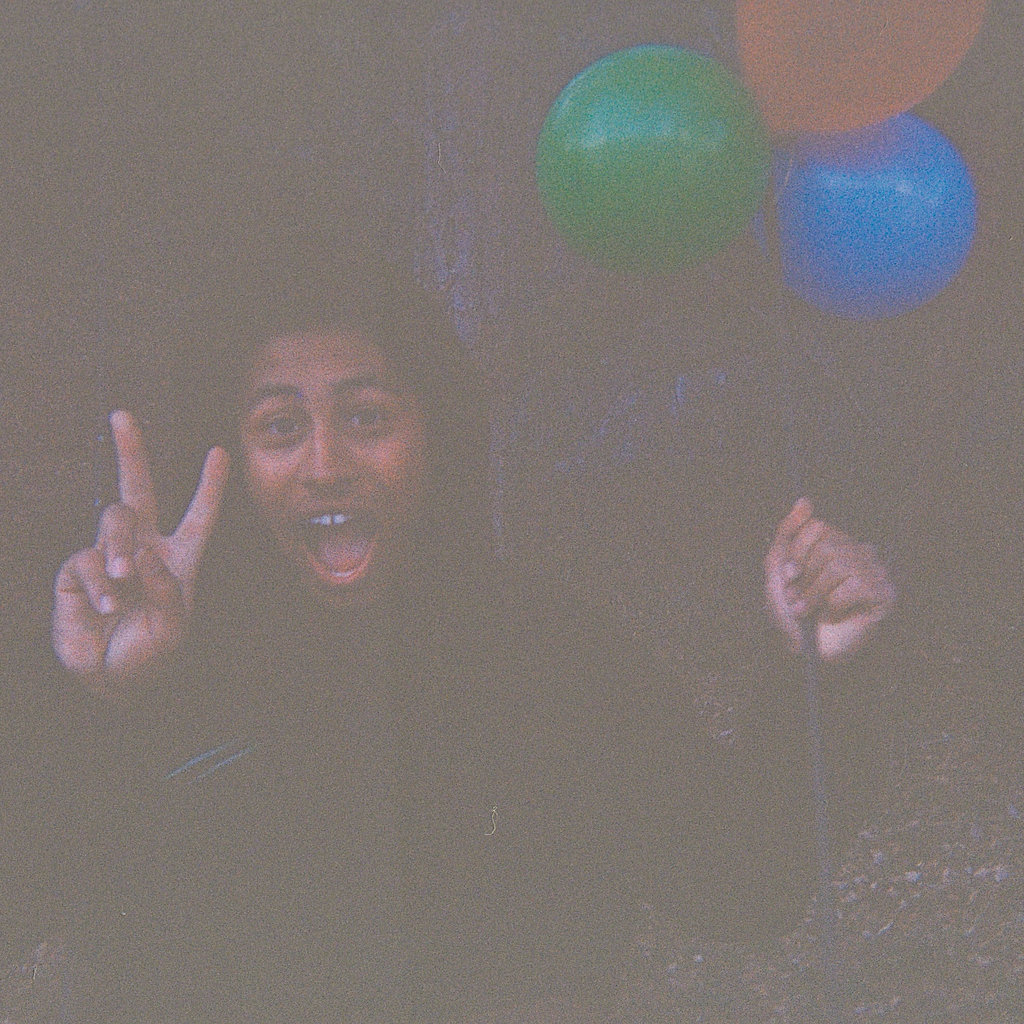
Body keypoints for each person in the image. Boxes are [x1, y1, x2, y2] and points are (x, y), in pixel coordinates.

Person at [36, 243, 895, 1022]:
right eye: (280, 428)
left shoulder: (548, 658)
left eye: (367, 418)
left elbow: (742, 888)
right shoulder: (172, 672)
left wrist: (823, 677)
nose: (326, 464)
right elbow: (36, 910)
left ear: (436, 433)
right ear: (227, 457)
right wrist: (103, 703)